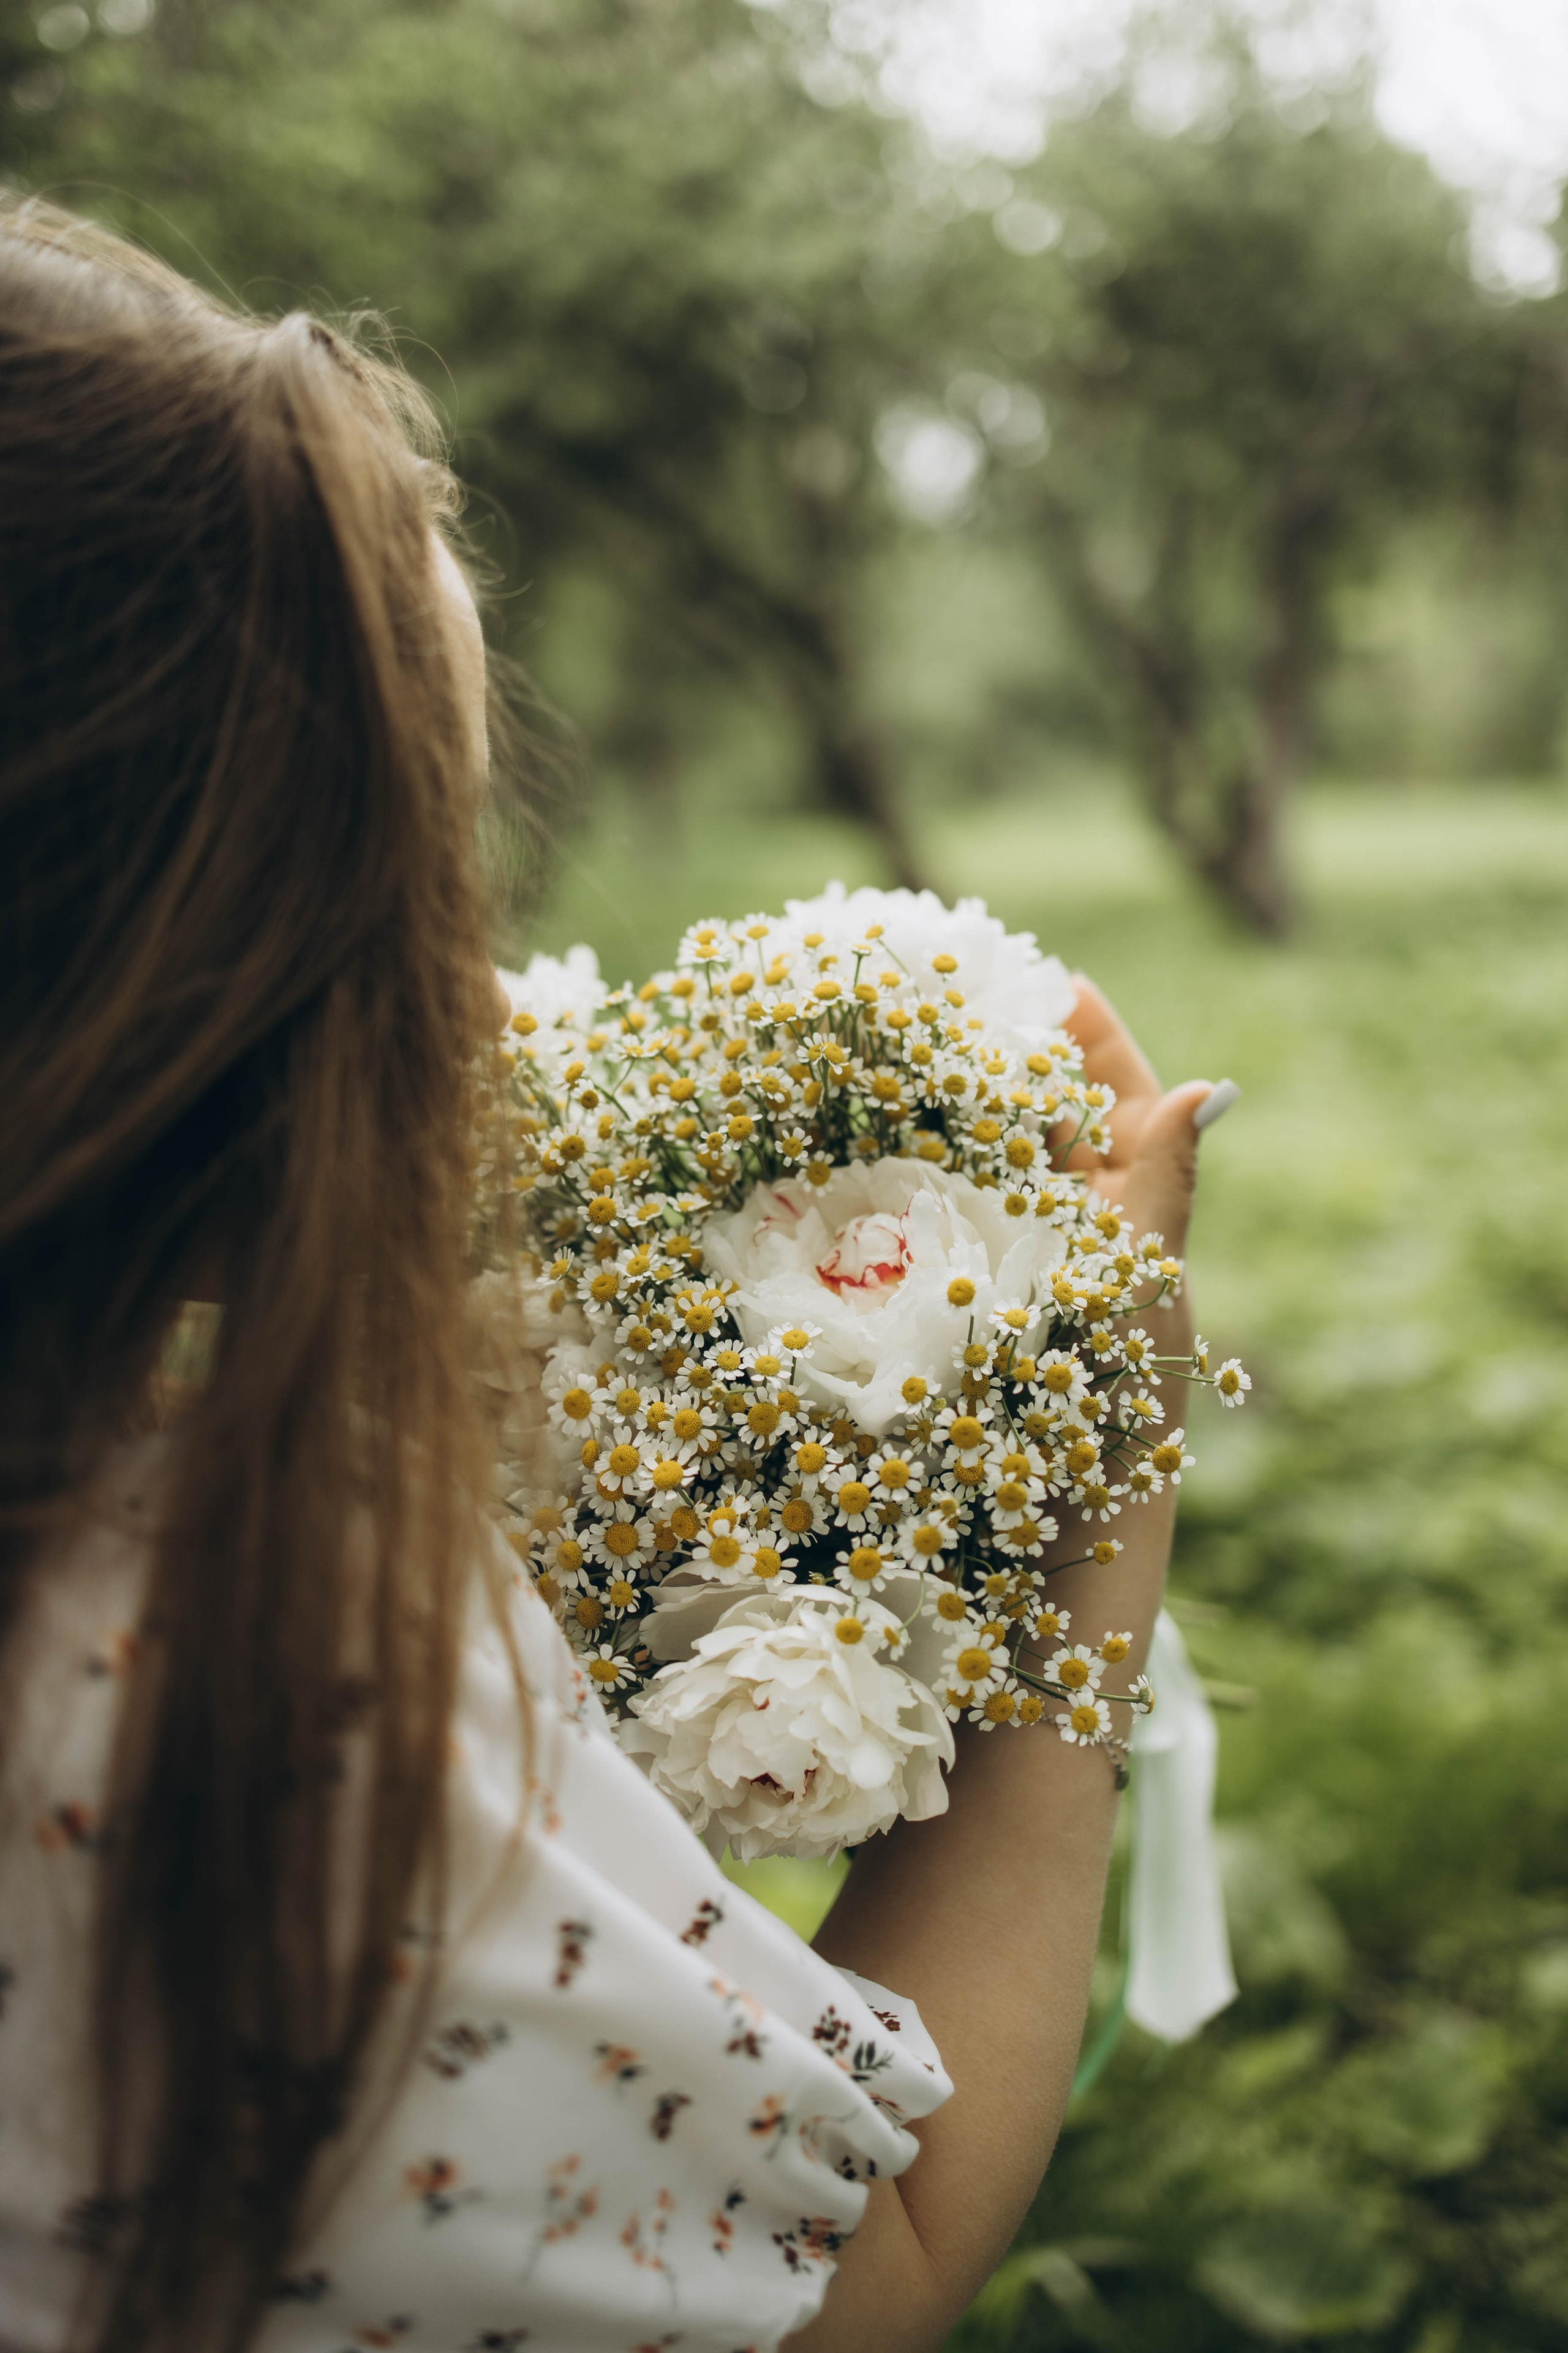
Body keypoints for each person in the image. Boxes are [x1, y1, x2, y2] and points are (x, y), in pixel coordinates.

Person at [0, 201, 1216, 2353]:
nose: (478, 999)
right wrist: (1093, 1463)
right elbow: (861, 2279)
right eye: (417, 875)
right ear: (169, 960)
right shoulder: (251, 1666)